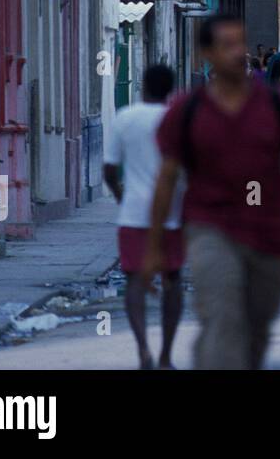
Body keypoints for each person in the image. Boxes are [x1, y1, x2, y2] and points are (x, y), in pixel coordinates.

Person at [144, 14, 280, 370]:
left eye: (240, 44)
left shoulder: (278, 106)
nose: (238, 53)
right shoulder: (187, 111)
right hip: (209, 229)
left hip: (268, 233)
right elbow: (166, 179)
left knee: (257, 327)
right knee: (223, 313)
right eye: (227, 46)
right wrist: (155, 246)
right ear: (207, 54)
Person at [103, 64, 183, 370]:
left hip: (134, 214)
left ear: (144, 86)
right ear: (171, 89)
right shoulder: (177, 121)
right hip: (172, 216)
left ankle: (143, 350)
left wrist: (122, 198)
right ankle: (166, 355)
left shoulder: (125, 119)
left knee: (135, 281)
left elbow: (109, 171)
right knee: (172, 280)